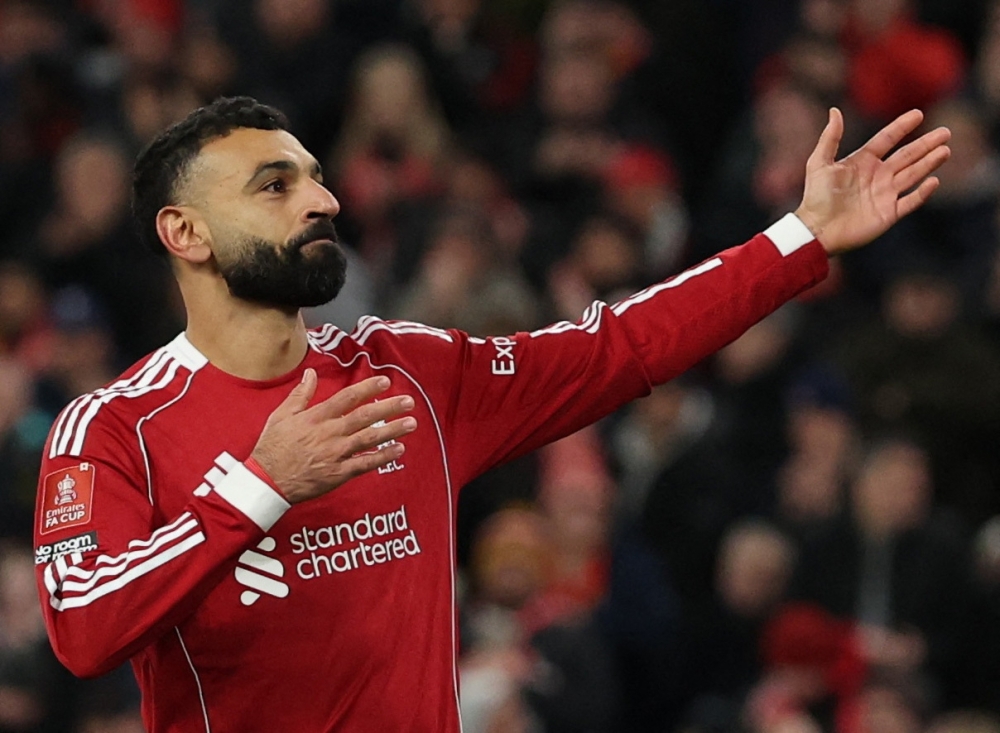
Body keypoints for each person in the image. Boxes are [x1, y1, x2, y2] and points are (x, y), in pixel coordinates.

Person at [31, 95, 949, 731]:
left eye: (314, 177)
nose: (323, 198)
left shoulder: (408, 373)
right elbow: (82, 628)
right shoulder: (113, 428)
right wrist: (260, 486)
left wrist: (800, 239)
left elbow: (615, 346)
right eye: (274, 186)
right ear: (183, 233)